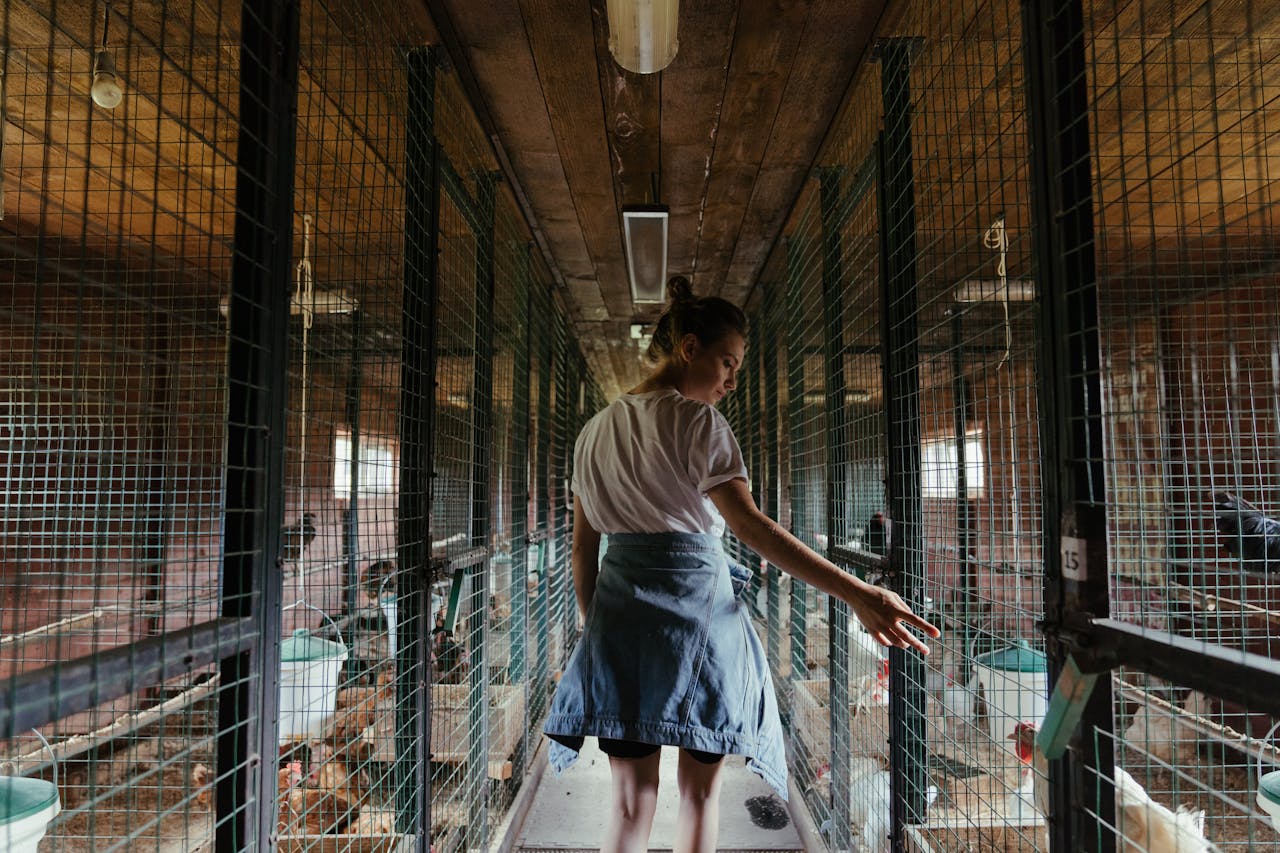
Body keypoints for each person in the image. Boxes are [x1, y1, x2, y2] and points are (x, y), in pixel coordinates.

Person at [543, 276, 939, 853]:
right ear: (689, 350)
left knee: (629, 807)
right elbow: (753, 530)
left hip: (619, 625)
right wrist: (856, 591)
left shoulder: (594, 432)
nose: (731, 380)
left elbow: (583, 548)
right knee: (701, 798)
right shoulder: (701, 424)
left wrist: (594, 627)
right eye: (726, 363)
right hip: (700, 628)